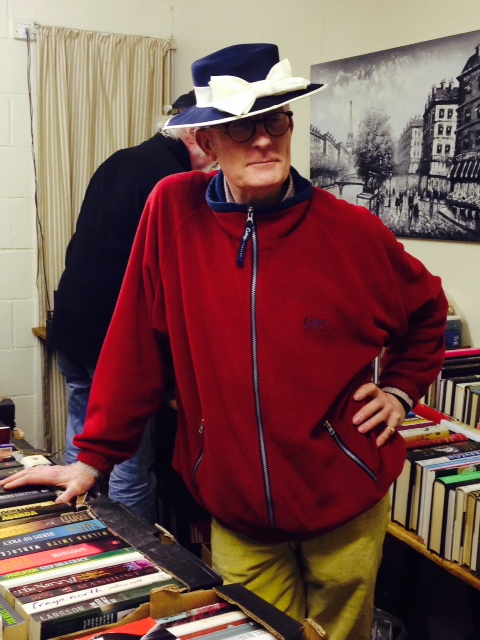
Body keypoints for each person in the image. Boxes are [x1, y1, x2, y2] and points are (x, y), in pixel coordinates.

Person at [2, 44, 448, 640]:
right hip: (236, 510)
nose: (262, 140)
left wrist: (400, 388)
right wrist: (93, 458)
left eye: (275, 120)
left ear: (290, 126)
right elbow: (136, 342)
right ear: (207, 142)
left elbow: (428, 311)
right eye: (241, 126)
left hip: (344, 502)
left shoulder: (352, 231)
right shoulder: (171, 210)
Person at [45, 91, 215, 523]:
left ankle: (80, 531)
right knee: (127, 463)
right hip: (112, 334)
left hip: (72, 320)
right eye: (215, 141)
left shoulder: (120, 159)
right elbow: (176, 274)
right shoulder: (174, 181)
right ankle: (131, 554)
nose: (215, 160)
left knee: (83, 444)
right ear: (196, 133)